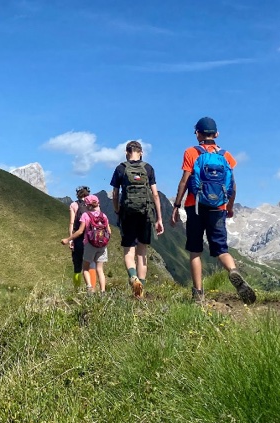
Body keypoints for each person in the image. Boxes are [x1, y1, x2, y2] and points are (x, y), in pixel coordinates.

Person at [171, 117, 256, 305]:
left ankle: (198, 294)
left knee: (195, 251)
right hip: (218, 207)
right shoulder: (226, 156)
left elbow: (185, 180)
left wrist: (176, 206)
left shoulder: (191, 152)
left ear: (197, 134)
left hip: (196, 206)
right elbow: (232, 186)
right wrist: (230, 207)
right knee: (221, 249)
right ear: (216, 134)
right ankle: (233, 271)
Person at [110, 140, 164, 299]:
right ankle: (140, 291)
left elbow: (114, 193)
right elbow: (155, 195)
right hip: (145, 214)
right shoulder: (148, 168)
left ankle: (133, 278)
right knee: (142, 253)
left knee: (128, 251)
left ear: (127, 153)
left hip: (127, 214)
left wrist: (117, 210)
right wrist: (159, 218)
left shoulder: (120, 168)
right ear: (141, 152)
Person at [60, 194, 109, 292]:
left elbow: (80, 231)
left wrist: (68, 239)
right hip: (102, 246)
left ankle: (90, 289)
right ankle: (103, 291)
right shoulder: (103, 215)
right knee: (100, 270)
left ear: (87, 205)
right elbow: (109, 232)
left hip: (90, 245)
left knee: (85, 268)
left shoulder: (85, 215)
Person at [67, 186, 94, 290]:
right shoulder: (93, 203)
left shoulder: (74, 205)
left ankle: (76, 290)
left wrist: (70, 239)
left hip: (78, 238)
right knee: (91, 265)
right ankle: (93, 289)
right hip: (91, 238)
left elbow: (71, 223)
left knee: (77, 266)